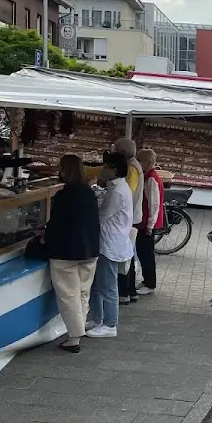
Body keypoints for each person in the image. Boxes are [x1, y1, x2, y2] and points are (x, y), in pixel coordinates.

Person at [44, 154, 100, 353]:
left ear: (64, 171)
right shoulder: (89, 193)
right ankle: (78, 330)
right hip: (90, 250)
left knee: (69, 295)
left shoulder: (63, 196)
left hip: (66, 252)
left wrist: (45, 241)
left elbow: (55, 225)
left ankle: (74, 338)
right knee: (83, 293)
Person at [87, 151, 134, 339]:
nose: (103, 169)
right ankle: (97, 319)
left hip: (109, 244)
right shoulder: (116, 187)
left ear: (114, 169)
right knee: (98, 285)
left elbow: (101, 216)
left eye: (106, 166)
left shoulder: (117, 191)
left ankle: (110, 324)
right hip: (107, 242)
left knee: (107, 286)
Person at [113, 137, 143, 305]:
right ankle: (130, 291)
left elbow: (126, 193)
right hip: (133, 217)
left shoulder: (131, 168)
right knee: (128, 256)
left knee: (124, 257)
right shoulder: (135, 165)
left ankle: (124, 292)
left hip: (129, 219)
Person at [135, 148, 164, 296]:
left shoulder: (151, 179)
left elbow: (154, 204)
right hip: (146, 221)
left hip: (147, 222)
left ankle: (150, 283)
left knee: (146, 254)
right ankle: (147, 280)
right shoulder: (149, 176)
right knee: (143, 252)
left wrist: (150, 225)